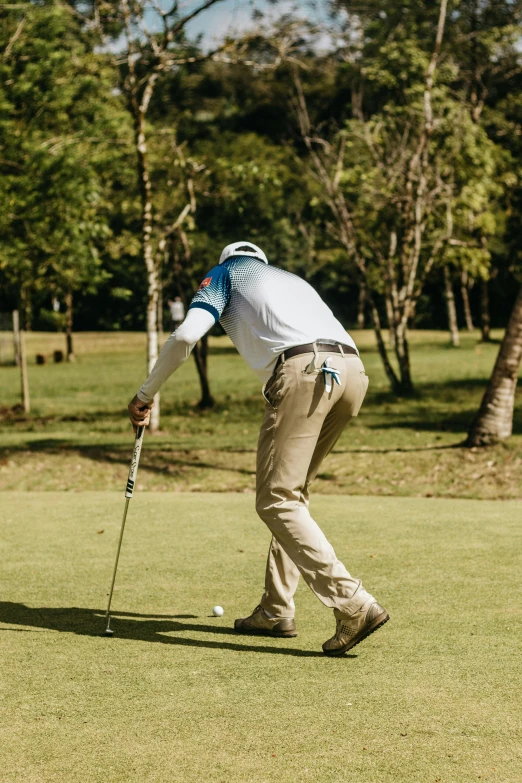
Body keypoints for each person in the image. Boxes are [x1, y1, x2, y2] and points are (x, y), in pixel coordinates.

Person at [128, 241, 389, 656]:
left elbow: (185, 334)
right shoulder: (291, 279)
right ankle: (275, 609)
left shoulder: (225, 274)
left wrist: (145, 394)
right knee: (293, 497)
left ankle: (353, 602)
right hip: (353, 373)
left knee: (276, 500)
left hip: (304, 371)